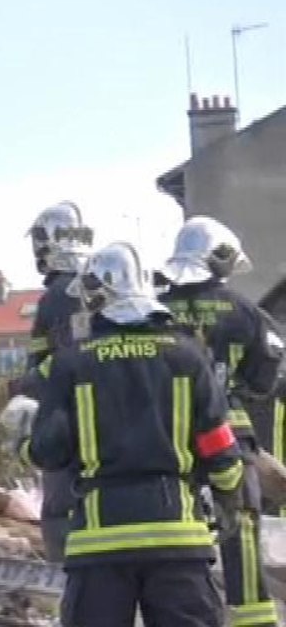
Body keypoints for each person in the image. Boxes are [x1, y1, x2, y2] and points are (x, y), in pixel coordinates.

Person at [23, 241, 243, 627]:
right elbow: (219, 446)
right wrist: (227, 499)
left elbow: (49, 450)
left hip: (100, 541)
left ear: (99, 297)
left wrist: (22, 443)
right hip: (178, 537)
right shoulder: (187, 355)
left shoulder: (72, 362)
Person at [156, 216, 282, 627]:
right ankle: (251, 616)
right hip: (230, 431)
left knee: (181, 524)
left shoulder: (155, 309)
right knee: (241, 524)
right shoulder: (243, 310)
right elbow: (267, 370)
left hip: (168, 432)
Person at [6, 200, 94, 562]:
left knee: (61, 511)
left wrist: (23, 389)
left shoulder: (59, 295)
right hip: (120, 422)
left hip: (70, 420)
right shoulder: (101, 285)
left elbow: (54, 364)